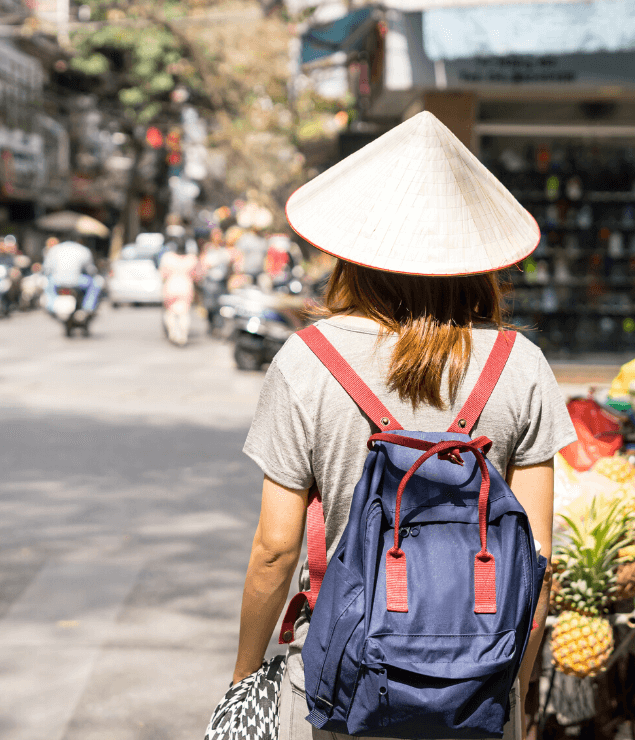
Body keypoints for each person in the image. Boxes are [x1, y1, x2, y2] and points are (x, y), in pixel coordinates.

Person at [232, 112, 578, 740]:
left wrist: (242, 676)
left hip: (342, 682)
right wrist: (515, 694)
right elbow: (537, 558)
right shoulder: (520, 364)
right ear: (475, 258)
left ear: (354, 253)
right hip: (478, 685)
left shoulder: (306, 362)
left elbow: (275, 550)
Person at [42, 239, 101, 316]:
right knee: (95, 283)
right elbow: (90, 270)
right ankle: (88, 308)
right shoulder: (84, 250)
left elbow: (47, 269)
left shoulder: (54, 250)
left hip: (56, 281)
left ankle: (50, 306)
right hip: (76, 281)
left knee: (48, 283)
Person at [159, 236, 198, 346]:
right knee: (184, 313)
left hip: (170, 287)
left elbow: (162, 274)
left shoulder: (167, 258)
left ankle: (174, 334)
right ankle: (183, 336)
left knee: (171, 312)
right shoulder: (191, 259)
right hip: (186, 287)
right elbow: (196, 275)